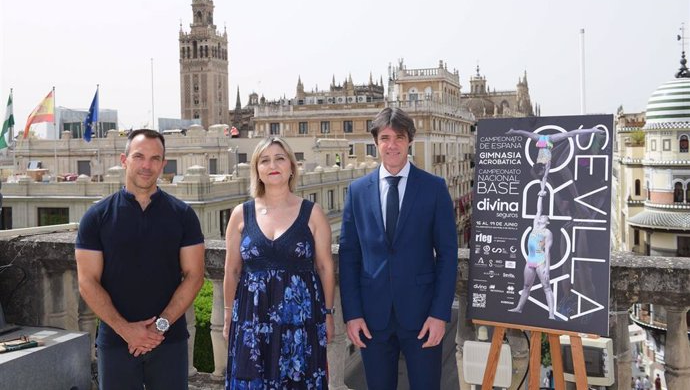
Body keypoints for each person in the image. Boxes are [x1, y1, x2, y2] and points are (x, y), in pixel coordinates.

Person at [75, 129, 205, 390]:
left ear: (163, 164)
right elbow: (87, 282)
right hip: (115, 343)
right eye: (139, 156)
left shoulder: (183, 215)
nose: (147, 165)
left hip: (169, 341)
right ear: (124, 160)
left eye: (155, 158)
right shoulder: (96, 217)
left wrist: (160, 327)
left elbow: (195, 276)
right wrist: (125, 329)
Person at [339, 107, 458, 390]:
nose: (392, 145)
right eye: (385, 137)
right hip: (371, 319)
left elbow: (448, 255)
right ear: (376, 142)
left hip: (422, 317)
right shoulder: (357, 191)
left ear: (409, 141)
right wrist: (353, 314)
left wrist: (440, 315)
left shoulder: (434, 188)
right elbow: (349, 255)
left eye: (399, 137)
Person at [223, 136, 334, 388]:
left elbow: (326, 268)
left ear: (291, 166)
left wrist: (328, 314)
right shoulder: (241, 214)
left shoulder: (312, 213)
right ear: (257, 170)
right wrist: (229, 316)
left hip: (300, 321)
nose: (273, 164)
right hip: (252, 318)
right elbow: (231, 271)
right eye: (265, 160)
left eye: (280, 158)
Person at [507, 126, 603, 192]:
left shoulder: (546, 164)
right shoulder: (539, 163)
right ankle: (513, 131)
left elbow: (544, 178)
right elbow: (543, 178)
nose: (543, 173)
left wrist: (542, 190)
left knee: (571, 133)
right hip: (542, 139)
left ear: (541, 169)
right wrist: (542, 190)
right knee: (524, 133)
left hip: (546, 140)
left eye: (541, 172)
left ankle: (592, 130)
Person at [508, 190, 555, 319]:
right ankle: (519, 308)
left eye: (544, 217)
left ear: (547, 221)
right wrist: (540, 196)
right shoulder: (535, 226)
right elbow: (538, 210)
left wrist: (547, 269)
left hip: (540, 260)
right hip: (530, 260)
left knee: (546, 287)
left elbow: (547, 251)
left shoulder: (547, 232)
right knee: (526, 286)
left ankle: (551, 313)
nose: (542, 216)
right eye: (541, 216)